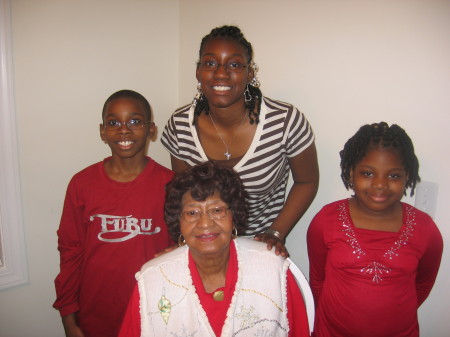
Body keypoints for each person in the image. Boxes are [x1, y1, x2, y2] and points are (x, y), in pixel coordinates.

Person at [161, 25, 319, 256]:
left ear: (250, 73)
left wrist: (275, 233)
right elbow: (186, 197)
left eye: (234, 64)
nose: (221, 73)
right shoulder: (180, 125)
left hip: (261, 249)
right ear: (198, 72)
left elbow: (307, 181)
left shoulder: (284, 121)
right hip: (204, 246)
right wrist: (183, 243)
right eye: (210, 63)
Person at [118, 162, 311, 337]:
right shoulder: (153, 279)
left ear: (233, 214)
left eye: (217, 210)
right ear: (179, 221)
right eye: (192, 212)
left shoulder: (272, 267)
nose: (205, 223)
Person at [53, 90, 174, 337]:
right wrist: (67, 314)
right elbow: (70, 250)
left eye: (134, 121)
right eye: (113, 123)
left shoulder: (171, 185)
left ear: (151, 129)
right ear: (102, 131)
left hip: (155, 312)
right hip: (96, 313)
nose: (124, 130)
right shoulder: (81, 184)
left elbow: (181, 251)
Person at [307, 122, 443, 337]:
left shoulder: (425, 229)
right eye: (368, 173)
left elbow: (423, 284)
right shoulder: (326, 220)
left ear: (407, 176)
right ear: (351, 172)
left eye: (394, 176)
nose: (380, 184)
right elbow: (317, 280)